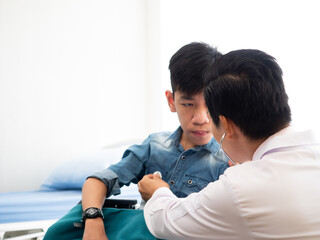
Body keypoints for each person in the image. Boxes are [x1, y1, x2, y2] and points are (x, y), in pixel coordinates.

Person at [44, 42, 229, 240]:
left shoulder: (229, 161)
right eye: (188, 104)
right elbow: (97, 181)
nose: (200, 118)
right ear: (171, 101)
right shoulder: (155, 146)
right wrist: (93, 221)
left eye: (209, 105)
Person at [139, 49, 320, 239]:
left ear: (226, 125)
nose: (201, 120)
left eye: (209, 114)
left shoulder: (238, 188)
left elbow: (166, 222)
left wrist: (158, 191)